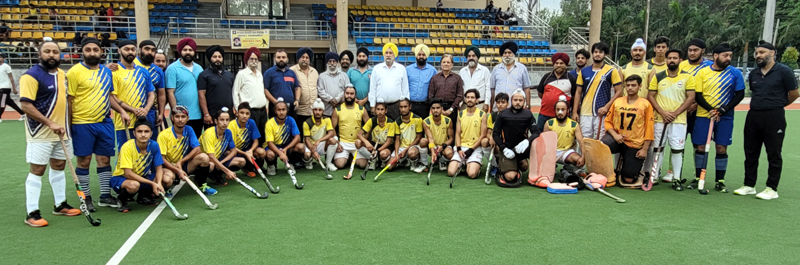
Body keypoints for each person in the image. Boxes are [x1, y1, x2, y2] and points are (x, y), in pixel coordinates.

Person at [20, 41, 82, 227]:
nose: (51, 55)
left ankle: (60, 204)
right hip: (40, 132)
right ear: (40, 54)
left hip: (62, 132)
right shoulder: (31, 76)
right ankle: (32, 212)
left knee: (59, 165)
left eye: (55, 52)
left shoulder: (63, 75)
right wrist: (49, 123)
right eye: (47, 51)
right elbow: (26, 105)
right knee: (37, 170)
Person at [67, 37, 128, 212]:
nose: (92, 53)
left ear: (101, 51)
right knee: (84, 161)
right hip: (82, 123)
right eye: (88, 50)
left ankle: (105, 196)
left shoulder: (106, 71)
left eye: (95, 49)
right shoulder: (74, 72)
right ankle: (85, 198)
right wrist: (69, 125)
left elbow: (109, 96)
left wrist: (122, 111)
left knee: (104, 159)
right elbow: (69, 101)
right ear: (82, 51)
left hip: (104, 122)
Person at [736, 41, 799, 200]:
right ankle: (749, 185)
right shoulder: (754, 74)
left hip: (774, 117)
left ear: (772, 53)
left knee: (774, 153)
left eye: (762, 52)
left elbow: (794, 93)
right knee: (750, 152)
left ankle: (772, 188)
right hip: (754, 115)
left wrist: (777, 105)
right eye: (757, 53)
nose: (758, 55)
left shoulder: (784, 71)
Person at [687, 43, 745, 193]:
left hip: (725, 116)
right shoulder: (703, 73)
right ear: (715, 56)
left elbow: (740, 95)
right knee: (700, 147)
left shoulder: (735, 73)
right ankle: (699, 177)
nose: (728, 58)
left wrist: (723, 110)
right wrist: (711, 110)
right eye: (725, 55)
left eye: (730, 56)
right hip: (703, 115)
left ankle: (720, 181)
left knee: (721, 148)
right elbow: (698, 95)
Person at [662, 38, 713, 181]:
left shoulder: (709, 67)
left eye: (695, 50)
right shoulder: (681, 65)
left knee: (698, 144)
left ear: (702, 51)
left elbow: (708, 89)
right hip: (682, 111)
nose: (692, 53)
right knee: (677, 142)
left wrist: (696, 104)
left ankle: (698, 176)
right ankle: (672, 172)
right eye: (690, 50)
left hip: (700, 111)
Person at [646, 49, 695, 183]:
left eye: (675, 58)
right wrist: (663, 112)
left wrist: (675, 113)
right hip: (660, 119)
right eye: (669, 58)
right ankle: (654, 176)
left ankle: (677, 177)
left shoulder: (687, 77)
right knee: (658, 148)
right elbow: (651, 95)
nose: (671, 60)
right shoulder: (658, 76)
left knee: (677, 149)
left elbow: (691, 98)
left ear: (680, 60)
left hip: (678, 120)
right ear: (666, 60)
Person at [601, 75, 654, 185]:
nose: (630, 88)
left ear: (640, 86)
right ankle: (606, 172)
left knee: (629, 180)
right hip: (617, 139)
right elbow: (607, 122)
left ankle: (629, 170)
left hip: (634, 143)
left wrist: (644, 149)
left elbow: (649, 128)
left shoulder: (645, 104)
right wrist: (615, 135)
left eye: (633, 85)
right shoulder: (617, 102)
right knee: (602, 146)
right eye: (628, 85)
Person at [110, 117, 169, 212]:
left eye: (146, 131)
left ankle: (143, 197)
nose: (143, 135)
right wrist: (152, 183)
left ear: (151, 133)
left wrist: (158, 183)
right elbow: (128, 173)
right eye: (139, 131)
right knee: (134, 185)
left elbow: (159, 168)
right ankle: (122, 199)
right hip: (122, 178)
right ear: (134, 133)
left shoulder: (154, 145)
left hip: (142, 176)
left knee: (165, 177)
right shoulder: (127, 147)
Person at [158, 105, 215, 196]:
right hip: (169, 167)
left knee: (204, 158)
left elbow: (197, 148)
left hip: (184, 165)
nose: (180, 120)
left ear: (187, 118)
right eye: (177, 117)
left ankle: (202, 185)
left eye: (183, 117)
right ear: (172, 118)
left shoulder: (189, 129)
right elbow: (162, 159)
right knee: (167, 180)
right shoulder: (164, 135)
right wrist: (178, 171)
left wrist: (181, 161)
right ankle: (167, 188)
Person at [111, 39, 155, 151]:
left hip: (143, 121)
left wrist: (146, 109)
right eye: (126, 49)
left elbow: (151, 94)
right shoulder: (114, 71)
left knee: (144, 154)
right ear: (119, 50)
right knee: (125, 154)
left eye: (132, 49)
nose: (130, 52)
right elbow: (113, 97)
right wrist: (132, 110)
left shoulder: (143, 71)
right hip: (124, 121)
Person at [573, 42, 622, 140]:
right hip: (585, 113)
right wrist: (575, 112)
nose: (597, 54)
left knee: (600, 143)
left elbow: (619, 91)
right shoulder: (583, 71)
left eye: (600, 52)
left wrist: (606, 107)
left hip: (602, 113)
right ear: (592, 53)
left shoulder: (611, 70)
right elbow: (578, 92)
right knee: (584, 142)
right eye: (595, 52)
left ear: (605, 54)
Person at [492, 89, 538, 187]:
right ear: (511, 101)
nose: (517, 102)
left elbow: (536, 132)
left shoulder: (528, 114)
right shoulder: (503, 114)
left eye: (520, 100)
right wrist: (503, 149)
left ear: (524, 102)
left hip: (522, 149)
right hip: (507, 149)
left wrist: (527, 141)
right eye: (515, 100)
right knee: (510, 177)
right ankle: (504, 166)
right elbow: (495, 134)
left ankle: (516, 165)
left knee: (525, 166)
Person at [233, 47, 269, 153]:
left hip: (262, 111)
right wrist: (237, 109)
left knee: (262, 137)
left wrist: (266, 107)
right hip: (250, 111)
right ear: (247, 61)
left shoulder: (259, 74)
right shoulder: (241, 74)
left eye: (255, 59)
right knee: (251, 138)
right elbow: (235, 92)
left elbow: (262, 91)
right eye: (251, 59)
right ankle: (251, 162)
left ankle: (260, 162)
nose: (253, 61)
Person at [166, 37, 203, 137]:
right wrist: (175, 112)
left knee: (195, 143)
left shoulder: (199, 68)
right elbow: (170, 92)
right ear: (180, 51)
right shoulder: (173, 69)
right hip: (181, 116)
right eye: (185, 50)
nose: (188, 52)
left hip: (198, 114)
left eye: (190, 50)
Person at [255, 99, 304, 175]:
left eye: (283, 110)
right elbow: (270, 143)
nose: (281, 112)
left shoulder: (291, 120)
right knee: (270, 155)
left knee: (301, 147)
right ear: (275, 111)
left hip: (286, 146)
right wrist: (280, 153)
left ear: (287, 110)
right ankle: (271, 165)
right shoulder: (269, 123)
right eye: (279, 110)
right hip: (273, 146)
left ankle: (290, 163)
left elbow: (297, 137)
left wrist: (285, 149)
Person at [200, 107, 245, 187]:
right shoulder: (209, 134)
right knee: (211, 165)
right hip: (205, 161)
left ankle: (220, 172)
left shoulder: (228, 132)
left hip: (217, 159)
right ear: (216, 121)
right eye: (222, 120)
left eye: (227, 120)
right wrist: (227, 171)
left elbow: (234, 151)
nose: (225, 123)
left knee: (241, 161)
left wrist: (221, 163)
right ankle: (201, 178)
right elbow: (211, 156)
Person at [448, 89, 487, 178]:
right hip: (462, 147)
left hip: (475, 148)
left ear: (477, 100)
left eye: (472, 97)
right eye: (468, 97)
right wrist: (458, 148)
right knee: (451, 172)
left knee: (472, 174)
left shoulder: (482, 114)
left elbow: (483, 135)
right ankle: (464, 164)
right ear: (465, 99)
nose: (470, 99)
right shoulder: (461, 114)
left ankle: (475, 165)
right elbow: (457, 134)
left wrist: (471, 150)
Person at [331, 86, 370, 173]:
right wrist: (337, 142)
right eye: (347, 93)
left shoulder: (361, 109)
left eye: (351, 94)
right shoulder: (338, 109)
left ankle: (351, 156)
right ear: (344, 94)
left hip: (357, 143)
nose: (349, 96)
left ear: (355, 95)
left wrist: (364, 141)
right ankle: (348, 157)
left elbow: (369, 126)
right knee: (339, 164)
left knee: (363, 165)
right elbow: (332, 128)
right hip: (343, 143)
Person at [536, 52, 576, 131]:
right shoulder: (546, 77)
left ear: (566, 64)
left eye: (561, 63)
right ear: (553, 64)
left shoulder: (571, 79)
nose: (558, 65)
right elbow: (540, 93)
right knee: (541, 137)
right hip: (544, 114)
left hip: (563, 115)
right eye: (556, 63)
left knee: (561, 138)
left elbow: (574, 97)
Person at [134, 40, 167, 135]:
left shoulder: (157, 71)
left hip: (151, 112)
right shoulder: (130, 65)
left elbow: (161, 94)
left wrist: (161, 113)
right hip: (132, 110)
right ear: (139, 50)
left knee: (151, 142)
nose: (150, 52)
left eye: (153, 50)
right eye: (147, 49)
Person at [369, 42, 409, 120]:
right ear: (384, 55)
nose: (388, 55)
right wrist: (372, 105)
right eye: (386, 53)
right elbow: (373, 88)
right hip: (380, 106)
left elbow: (405, 89)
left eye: (390, 53)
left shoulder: (401, 69)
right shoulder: (377, 69)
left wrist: (405, 106)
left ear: (394, 55)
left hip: (396, 106)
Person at [198, 45, 234, 129]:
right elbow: (201, 95)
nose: (217, 59)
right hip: (212, 115)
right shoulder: (204, 75)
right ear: (210, 58)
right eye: (214, 57)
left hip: (228, 115)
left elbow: (233, 93)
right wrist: (206, 114)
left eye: (219, 57)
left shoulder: (229, 75)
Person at [543, 97, 585, 168]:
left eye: (563, 109)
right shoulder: (549, 123)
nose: (560, 112)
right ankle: (552, 167)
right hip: (552, 152)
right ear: (555, 111)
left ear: (567, 110)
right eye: (558, 109)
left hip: (566, 152)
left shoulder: (574, 125)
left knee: (578, 160)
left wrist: (583, 157)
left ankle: (570, 167)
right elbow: (544, 143)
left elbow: (581, 142)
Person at [490, 41, 531, 111]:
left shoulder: (522, 68)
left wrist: (528, 105)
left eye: (509, 53)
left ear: (514, 54)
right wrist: (491, 107)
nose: (507, 55)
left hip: (516, 107)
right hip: (499, 108)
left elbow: (526, 88)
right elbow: (492, 89)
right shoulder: (496, 69)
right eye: (505, 53)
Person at [358, 99, 396, 169]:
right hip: (375, 144)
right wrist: (366, 142)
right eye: (378, 109)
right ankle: (374, 159)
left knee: (383, 154)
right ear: (375, 110)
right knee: (358, 143)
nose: (380, 112)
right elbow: (359, 134)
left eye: (382, 109)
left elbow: (388, 142)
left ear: (386, 111)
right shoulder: (372, 120)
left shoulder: (391, 123)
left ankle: (381, 159)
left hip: (386, 146)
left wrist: (377, 151)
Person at [390, 98, 426, 173]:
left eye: (405, 107)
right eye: (401, 107)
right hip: (402, 147)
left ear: (410, 107)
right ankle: (404, 161)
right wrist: (396, 153)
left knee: (411, 153)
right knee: (389, 167)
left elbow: (419, 137)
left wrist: (405, 150)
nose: (403, 109)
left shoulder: (418, 119)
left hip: (414, 146)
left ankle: (415, 161)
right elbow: (397, 139)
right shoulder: (397, 122)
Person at [264, 49, 300, 121]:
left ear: (287, 59)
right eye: (278, 57)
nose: (281, 59)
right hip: (275, 108)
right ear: (275, 59)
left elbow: (297, 87)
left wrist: (297, 100)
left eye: (283, 57)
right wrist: (275, 102)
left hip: (290, 107)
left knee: (291, 129)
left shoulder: (291, 73)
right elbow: (265, 90)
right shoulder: (269, 73)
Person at [303, 99, 338, 171]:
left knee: (333, 140)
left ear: (323, 111)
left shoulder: (327, 119)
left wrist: (319, 141)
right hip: (311, 145)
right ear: (312, 111)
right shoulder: (307, 122)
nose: (317, 112)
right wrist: (313, 151)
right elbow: (307, 140)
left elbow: (331, 133)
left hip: (321, 144)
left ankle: (328, 163)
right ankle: (309, 161)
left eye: (320, 110)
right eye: (315, 110)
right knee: (307, 155)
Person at [428, 54, 463, 126]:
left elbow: (460, 95)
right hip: (437, 109)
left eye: (448, 62)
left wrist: (451, 109)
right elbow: (431, 95)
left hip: (452, 109)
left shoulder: (457, 78)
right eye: (444, 62)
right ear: (441, 64)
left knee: (452, 131)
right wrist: (439, 109)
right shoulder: (435, 78)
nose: (446, 64)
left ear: (452, 64)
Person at [229, 102, 261, 176]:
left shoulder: (251, 122)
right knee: (228, 153)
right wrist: (245, 154)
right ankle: (226, 171)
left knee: (261, 152)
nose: (244, 116)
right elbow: (231, 147)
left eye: (247, 114)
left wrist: (251, 151)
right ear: (237, 113)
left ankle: (251, 168)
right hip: (234, 151)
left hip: (247, 149)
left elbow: (256, 141)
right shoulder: (231, 125)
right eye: (242, 113)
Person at [422, 98, 454, 171]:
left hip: (443, 145)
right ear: (431, 109)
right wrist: (433, 152)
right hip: (432, 146)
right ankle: (425, 163)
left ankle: (442, 161)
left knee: (449, 154)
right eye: (433, 108)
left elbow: (451, 138)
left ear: (442, 109)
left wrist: (443, 145)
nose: (435, 110)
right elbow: (430, 138)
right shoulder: (426, 121)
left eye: (438, 108)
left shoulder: (447, 120)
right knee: (423, 141)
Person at [407, 44, 437, 118]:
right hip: (410, 105)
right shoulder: (407, 69)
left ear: (426, 56)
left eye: (423, 54)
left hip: (425, 106)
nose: (421, 56)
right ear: (416, 55)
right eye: (419, 54)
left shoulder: (432, 70)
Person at [290, 47, 317, 126]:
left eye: (307, 57)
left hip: (312, 111)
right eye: (303, 57)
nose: (305, 59)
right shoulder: (292, 71)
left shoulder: (314, 71)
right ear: (298, 58)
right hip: (299, 111)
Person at [483, 92, 509, 175]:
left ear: (507, 104)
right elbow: (488, 132)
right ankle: (495, 165)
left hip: (508, 141)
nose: (500, 105)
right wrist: (491, 138)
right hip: (497, 140)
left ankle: (503, 164)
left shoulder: (511, 115)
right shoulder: (492, 116)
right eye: (498, 102)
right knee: (484, 142)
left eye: (503, 102)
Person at [460, 46, 491, 112]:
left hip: (480, 105)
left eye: (473, 56)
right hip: (465, 105)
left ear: (477, 57)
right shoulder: (462, 71)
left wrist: (486, 103)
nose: (471, 58)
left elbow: (488, 88)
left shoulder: (484, 70)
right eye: (469, 56)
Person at [317, 52, 348, 117]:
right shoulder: (322, 76)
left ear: (337, 62)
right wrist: (330, 99)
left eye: (334, 61)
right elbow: (320, 90)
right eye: (330, 61)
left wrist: (337, 99)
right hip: (326, 111)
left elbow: (346, 89)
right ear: (327, 63)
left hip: (340, 109)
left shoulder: (344, 76)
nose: (332, 63)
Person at [0, 53, 25, 122]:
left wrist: (14, 88)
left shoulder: (6, 66)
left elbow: (11, 78)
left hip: (5, 87)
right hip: (0, 87)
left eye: (1, 57)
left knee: (2, 102)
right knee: (10, 102)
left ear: (4, 59)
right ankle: (23, 113)